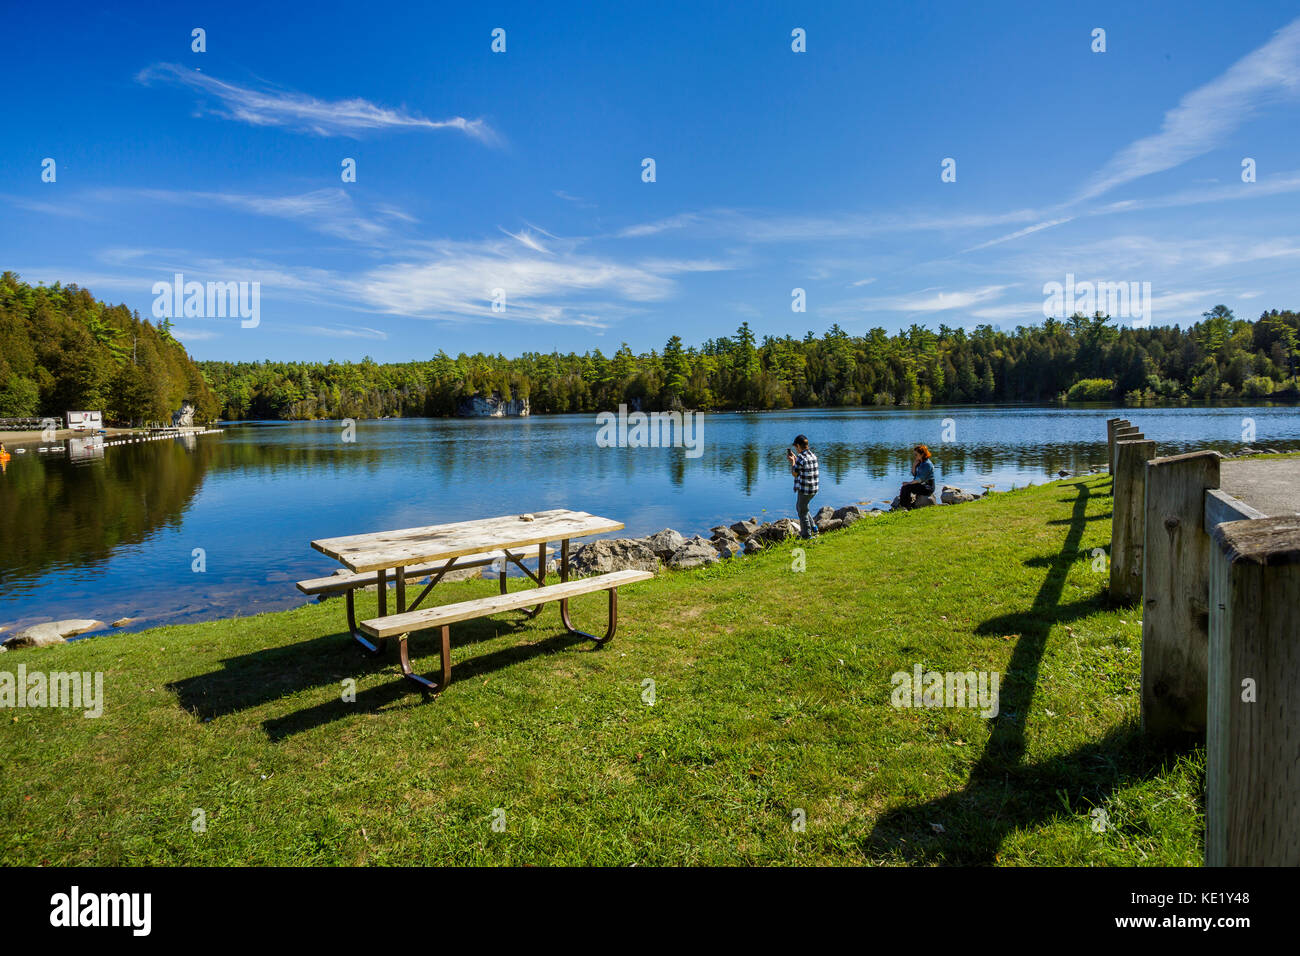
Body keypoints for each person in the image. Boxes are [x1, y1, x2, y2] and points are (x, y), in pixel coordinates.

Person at [786, 434, 819, 539]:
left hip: (805, 489)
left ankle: (807, 535)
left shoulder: (800, 457)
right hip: (813, 489)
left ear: (799, 446)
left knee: (802, 511)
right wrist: (796, 460)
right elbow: (803, 467)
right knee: (802, 507)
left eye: (796, 447)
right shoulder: (812, 455)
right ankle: (814, 527)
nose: (796, 449)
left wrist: (792, 462)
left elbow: (795, 473)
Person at [900, 444, 936, 510]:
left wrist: (908, 483)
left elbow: (919, 479)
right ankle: (905, 506)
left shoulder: (927, 464)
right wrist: (914, 465)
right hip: (922, 485)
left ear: (922, 454)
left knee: (906, 487)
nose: (915, 456)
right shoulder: (920, 462)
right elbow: (915, 475)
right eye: (914, 454)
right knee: (905, 487)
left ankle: (904, 507)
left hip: (928, 487)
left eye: (916, 454)